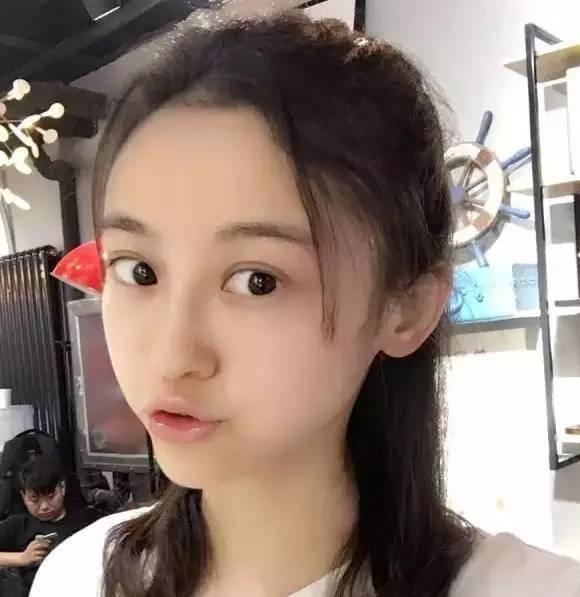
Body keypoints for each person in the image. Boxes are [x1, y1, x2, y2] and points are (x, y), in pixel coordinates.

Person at [31, 11, 580, 597]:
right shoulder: (78, 577)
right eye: (139, 270)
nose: (172, 357)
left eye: (257, 281)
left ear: (407, 308)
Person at [0, 456, 100, 594]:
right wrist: (22, 558)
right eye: (34, 500)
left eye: (51, 496)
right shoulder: (17, 525)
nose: (44, 506)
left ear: (62, 488)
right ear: (23, 496)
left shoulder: (87, 520)